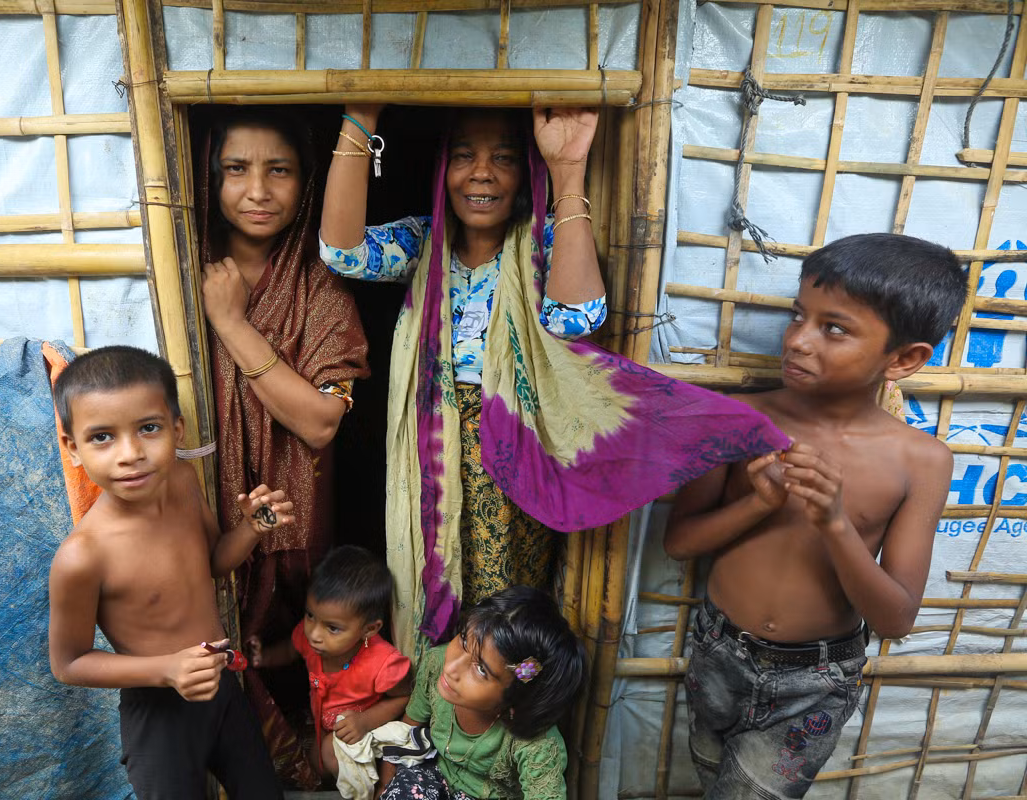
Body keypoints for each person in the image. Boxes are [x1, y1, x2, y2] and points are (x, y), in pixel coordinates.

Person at [320, 104, 787, 655]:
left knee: (500, 600)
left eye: (505, 159)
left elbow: (577, 316)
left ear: (525, 176)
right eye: (465, 156)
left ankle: (493, 709)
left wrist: (566, 170)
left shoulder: (538, 245)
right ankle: (438, 703)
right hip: (430, 446)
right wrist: (360, 117)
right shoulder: (425, 244)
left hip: (513, 450)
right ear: (443, 168)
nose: (482, 173)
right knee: (427, 574)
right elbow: (342, 252)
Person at [663, 233, 967, 797]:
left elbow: (896, 618)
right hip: (717, 654)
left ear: (904, 359)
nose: (799, 341)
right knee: (708, 777)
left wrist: (833, 521)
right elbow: (680, 543)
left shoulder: (921, 461)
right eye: (798, 316)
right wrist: (760, 503)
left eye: (834, 328)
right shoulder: (737, 422)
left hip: (816, 681)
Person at [199, 108, 370, 785]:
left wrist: (232, 325)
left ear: (307, 182)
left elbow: (321, 423)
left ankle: (300, 764)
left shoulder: (321, 288)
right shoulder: (186, 272)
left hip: (298, 511)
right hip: (212, 503)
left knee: (293, 634)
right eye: (237, 169)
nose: (258, 190)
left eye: (279, 170)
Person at [47, 345, 294, 799]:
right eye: (102, 437)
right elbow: (68, 664)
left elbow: (215, 562)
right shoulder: (83, 556)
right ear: (73, 448)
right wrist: (168, 669)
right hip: (157, 713)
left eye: (148, 428)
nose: (130, 454)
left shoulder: (182, 481)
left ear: (176, 429)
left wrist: (254, 528)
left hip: (220, 690)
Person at [376, 586, 584, 800]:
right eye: (464, 640)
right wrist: (384, 785)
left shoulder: (539, 745)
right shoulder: (436, 665)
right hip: (433, 776)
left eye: (481, 669)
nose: (452, 668)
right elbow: (406, 732)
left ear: (516, 696)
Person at [246, 545, 413, 779]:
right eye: (310, 616)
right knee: (316, 760)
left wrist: (365, 721)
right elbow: (291, 648)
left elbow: (405, 697)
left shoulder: (382, 662)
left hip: (365, 733)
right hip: (324, 727)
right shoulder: (312, 640)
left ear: (369, 629)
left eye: (332, 628)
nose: (314, 633)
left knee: (328, 755)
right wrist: (264, 658)